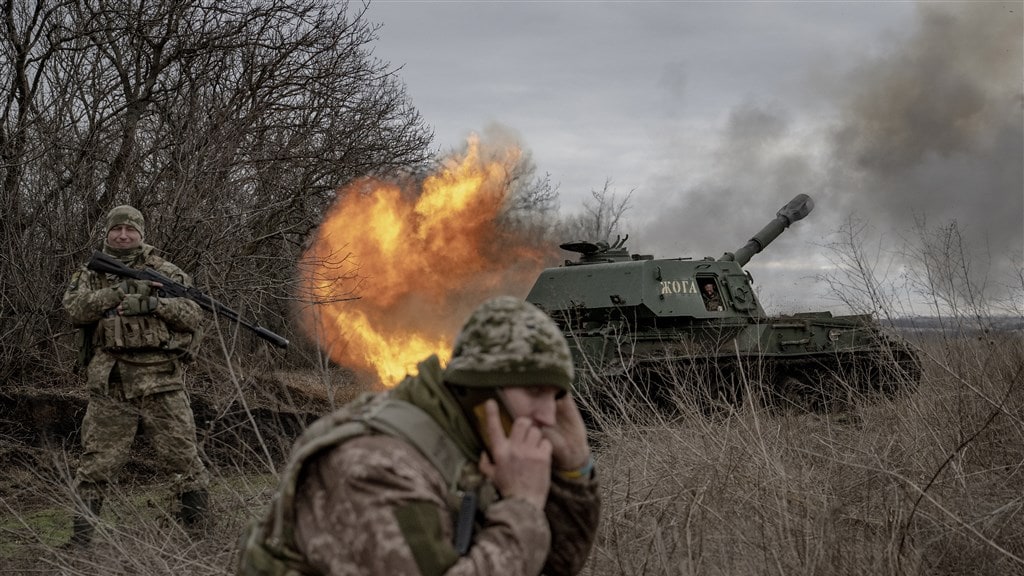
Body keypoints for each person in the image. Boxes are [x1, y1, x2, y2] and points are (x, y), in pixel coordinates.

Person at [238, 296, 600, 576]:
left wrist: (574, 472)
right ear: (482, 391)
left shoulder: (474, 441)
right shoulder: (375, 465)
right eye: (534, 391)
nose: (549, 415)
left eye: (555, 395)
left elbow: (552, 565)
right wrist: (521, 508)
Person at [63, 205, 209, 546]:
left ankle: (201, 537)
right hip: (111, 382)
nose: (124, 235)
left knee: (184, 457)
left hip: (163, 380)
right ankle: (79, 543)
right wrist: (117, 294)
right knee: (96, 463)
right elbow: (73, 309)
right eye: (118, 230)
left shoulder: (165, 271)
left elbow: (193, 314)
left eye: (131, 230)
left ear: (141, 234)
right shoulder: (90, 273)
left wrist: (154, 305)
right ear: (108, 233)